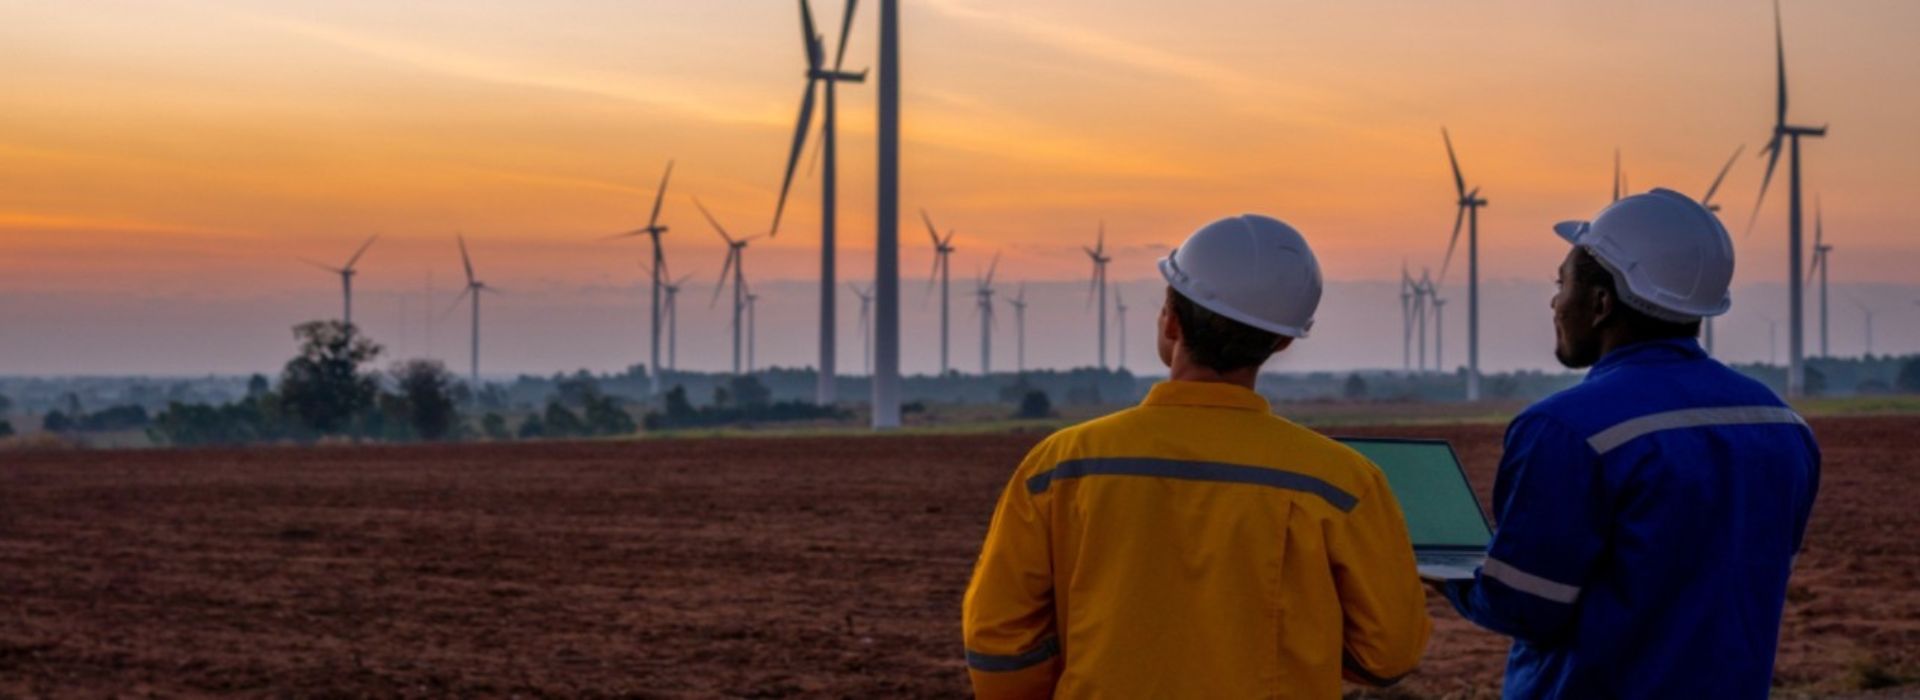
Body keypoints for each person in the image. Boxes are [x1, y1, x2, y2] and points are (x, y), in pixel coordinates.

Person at [962, 214, 1430, 698]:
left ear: (1171, 318)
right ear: (1284, 340)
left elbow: (997, 638)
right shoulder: (1343, 484)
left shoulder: (1060, 466)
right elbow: (1388, 652)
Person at [1439, 188, 1821, 698]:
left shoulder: (1565, 429)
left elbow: (1523, 605)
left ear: (1600, 303)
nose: (1555, 303)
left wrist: (1441, 568)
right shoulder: (1783, 425)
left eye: (1562, 283)